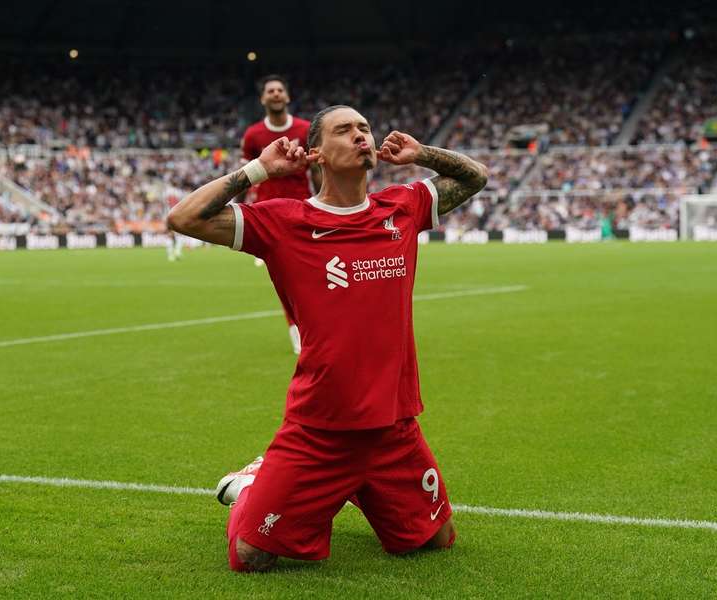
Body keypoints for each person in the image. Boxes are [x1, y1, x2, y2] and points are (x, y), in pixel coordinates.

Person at [167, 105, 488, 572]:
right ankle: (252, 483)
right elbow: (184, 217)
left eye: (364, 128)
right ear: (314, 152)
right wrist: (259, 169)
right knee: (251, 556)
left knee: (436, 542)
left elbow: (476, 176)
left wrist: (424, 154)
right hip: (320, 430)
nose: (360, 135)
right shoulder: (282, 221)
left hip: (393, 427)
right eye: (344, 129)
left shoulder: (402, 206)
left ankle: (360, 487)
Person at [241, 75, 322, 354]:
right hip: (267, 216)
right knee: (284, 274)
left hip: (302, 210)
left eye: (279, 90)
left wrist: (325, 203)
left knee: (310, 273)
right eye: (270, 91)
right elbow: (246, 175)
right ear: (263, 99)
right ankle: (297, 326)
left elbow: (317, 171)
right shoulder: (253, 136)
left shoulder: (305, 128)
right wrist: (237, 207)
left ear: (287, 96)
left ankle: (308, 324)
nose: (275, 94)